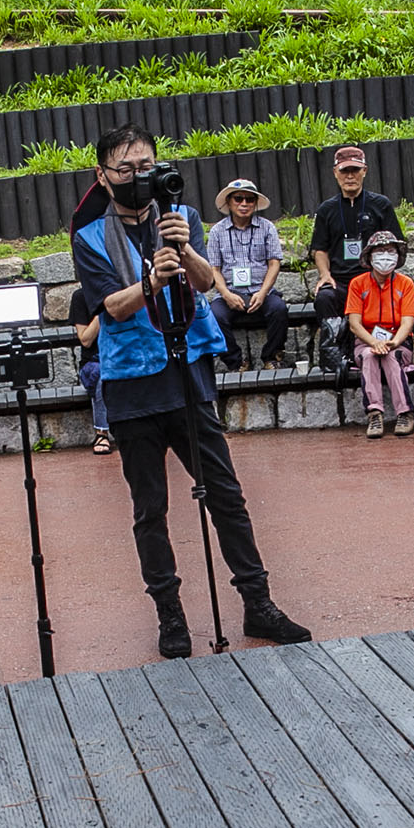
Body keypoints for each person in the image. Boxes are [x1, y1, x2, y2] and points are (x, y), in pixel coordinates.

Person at [72, 124, 311, 659]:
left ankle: (258, 602)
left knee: (226, 494)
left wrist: (183, 249)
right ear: (103, 176)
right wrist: (151, 282)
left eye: (146, 166)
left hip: (189, 374)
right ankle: (170, 614)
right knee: (150, 508)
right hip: (132, 384)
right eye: (125, 169)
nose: (138, 177)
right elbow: (111, 307)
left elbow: (204, 282)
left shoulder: (182, 216)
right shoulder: (88, 236)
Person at [308, 146, 400, 369]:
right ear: (335, 173)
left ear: (364, 171)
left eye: (355, 170)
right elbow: (319, 249)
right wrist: (325, 274)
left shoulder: (381, 205)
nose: (350, 176)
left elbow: (394, 245)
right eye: (345, 171)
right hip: (340, 281)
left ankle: (379, 349)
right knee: (324, 298)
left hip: (372, 280)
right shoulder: (326, 209)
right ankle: (333, 355)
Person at [205, 178, 292, 370]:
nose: (244, 204)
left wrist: (262, 293)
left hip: (261, 291)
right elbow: (214, 269)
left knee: (279, 309)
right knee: (214, 315)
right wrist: (226, 294)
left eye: (249, 199)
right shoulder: (217, 231)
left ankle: (271, 357)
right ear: (229, 202)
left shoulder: (267, 227)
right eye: (238, 199)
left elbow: (274, 263)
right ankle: (235, 363)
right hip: (229, 292)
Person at [346, 230, 414, 439]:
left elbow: (408, 322)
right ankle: (374, 413)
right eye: (380, 251)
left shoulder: (405, 283)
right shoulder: (358, 284)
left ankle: (405, 413)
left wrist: (394, 342)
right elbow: (354, 324)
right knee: (369, 356)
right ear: (369, 257)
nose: (386, 256)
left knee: (391, 356)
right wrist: (374, 342)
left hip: (398, 342)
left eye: (390, 251)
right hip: (366, 341)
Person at [71, 284, 113, 455]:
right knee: (103, 374)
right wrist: (103, 310)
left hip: (119, 357)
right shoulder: (81, 296)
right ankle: (101, 432)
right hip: (93, 363)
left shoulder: (127, 293)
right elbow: (85, 340)